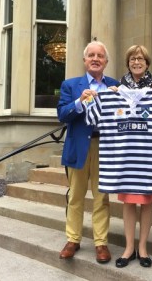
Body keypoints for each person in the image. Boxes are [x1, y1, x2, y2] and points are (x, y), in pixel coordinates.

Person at [90, 44, 152, 269]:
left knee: (147, 204)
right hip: (124, 164)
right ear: (128, 62)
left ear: (147, 63)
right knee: (129, 204)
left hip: (147, 164)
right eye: (133, 59)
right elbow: (91, 117)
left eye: (140, 59)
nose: (136, 62)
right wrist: (92, 98)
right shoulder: (114, 90)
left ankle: (143, 248)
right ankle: (129, 247)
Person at [57, 40, 119, 263]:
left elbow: (124, 114)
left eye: (100, 56)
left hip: (105, 147)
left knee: (102, 198)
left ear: (106, 61)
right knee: (75, 196)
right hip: (78, 146)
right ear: (84, 61)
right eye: (91, 55)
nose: (95, 59)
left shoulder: (115, 85)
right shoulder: (70, 85)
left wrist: (118, 98)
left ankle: (101, 243)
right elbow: (62, 115)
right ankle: (73, 239)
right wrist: (79, 102)